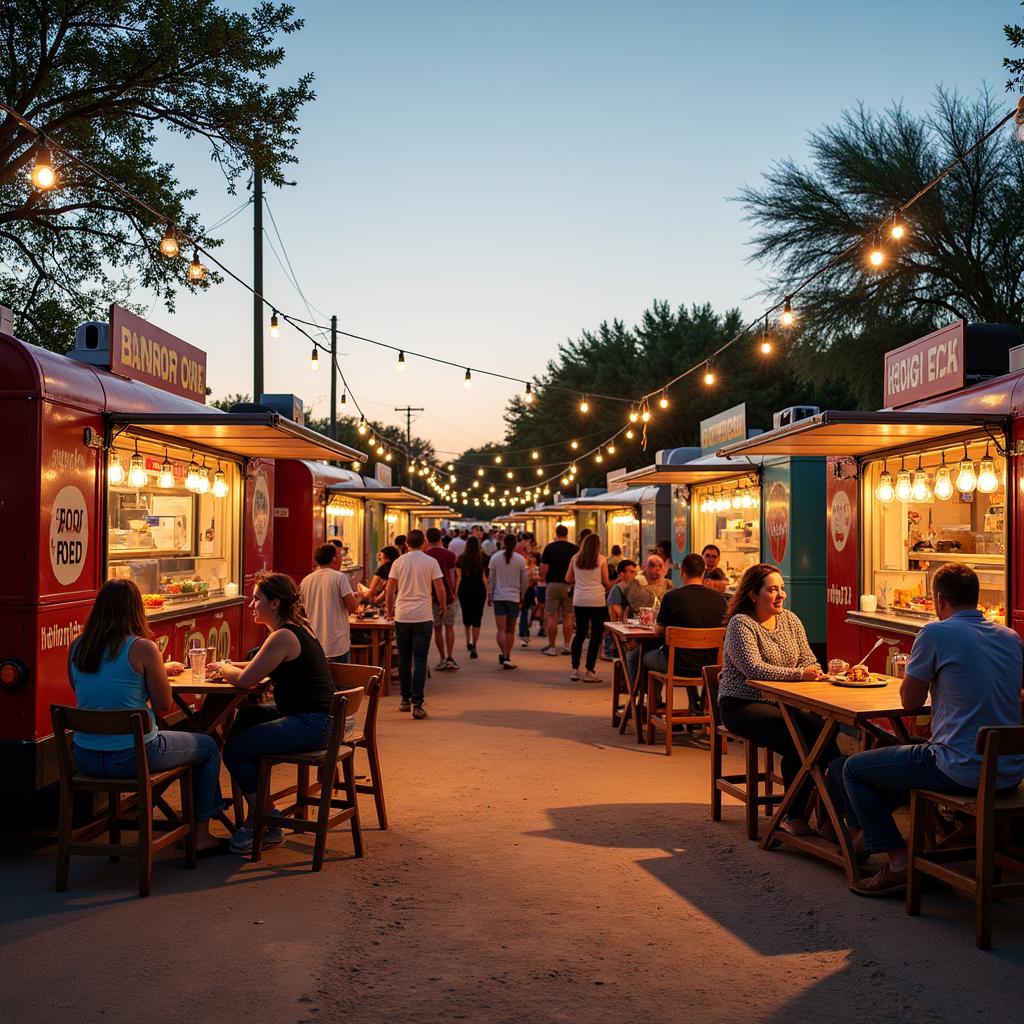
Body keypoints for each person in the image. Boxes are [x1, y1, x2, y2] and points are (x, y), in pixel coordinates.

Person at [836, 563, 1024, 898]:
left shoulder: (935, 633)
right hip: (1009, 771)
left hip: (959, 769)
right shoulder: (1010, 637)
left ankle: (896, 863)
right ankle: (872, 838)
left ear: (938, 600)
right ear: (976, 598)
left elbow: (910, 702)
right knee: (903, 753)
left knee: (854, 769)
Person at [69, 579, 226, 856]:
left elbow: (90, 691)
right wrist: (155, 673)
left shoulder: (77, 646)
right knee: (208, 746)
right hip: (133, 755)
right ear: (135, 610)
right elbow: (164, 703)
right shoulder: (142, 647)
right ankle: (201, 834)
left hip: (85, 757)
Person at [213, 572, 338, 854]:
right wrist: (232, 665)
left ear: (275, 603)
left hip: (312, 723)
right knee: (246, 719)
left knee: (235, 750)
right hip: (314, 718)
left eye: (256, 598)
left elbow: (246, 681)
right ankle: (258, 812)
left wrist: (223, 668)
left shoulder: (283, 636)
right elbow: (259, 665)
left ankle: (268, 821)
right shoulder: (296, 628)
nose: (251, 604)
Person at [717, 563, 837, 839]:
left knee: (825, 733)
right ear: (752, 594)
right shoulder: (741, 624)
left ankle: (832, 815)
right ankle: (797, 817)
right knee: (801, 739)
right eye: (772, 589)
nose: (780, 594)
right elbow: (754, 669)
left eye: (782, 588)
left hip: (784, 702)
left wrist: (815, 671)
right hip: (741, 704)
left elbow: (809, 659)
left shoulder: (791, 620)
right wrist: (801, 675)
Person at [627, 553, 727, 712]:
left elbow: (659, 632)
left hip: (677, 664)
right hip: (710, 664)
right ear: (702, 573)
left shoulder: (672, 597)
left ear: (682, 573)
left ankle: (649, 704)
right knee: (687, 651)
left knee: (635, 656)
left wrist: (653, 626)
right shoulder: (720, 600)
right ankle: (696, 706)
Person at [385, 529, 445, 719]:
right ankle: (417, 704)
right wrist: (442, 605)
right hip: (423, 615)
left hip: (402, 616)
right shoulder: (431, 562)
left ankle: (404, 699)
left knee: (404, 658)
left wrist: (389, 610)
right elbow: (440, 588)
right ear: (424, 543)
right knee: (420, 659)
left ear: (407, 544)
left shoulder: (398, 562)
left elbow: (389, 589)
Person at [299, 543, 360, 663]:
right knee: (339, 681)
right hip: (337, 644)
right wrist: (359, 597)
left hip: (314, 643)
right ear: (334, 558)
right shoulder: (339, 577)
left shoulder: (306, 580)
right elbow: (353, 608)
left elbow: (302, 611)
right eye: (339, 555)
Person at [566, 533, 611, 682]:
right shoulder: (601, 559)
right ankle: (589, 670)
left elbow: (568, 578)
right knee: (596, 636)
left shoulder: (575, 558)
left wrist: (579, 580)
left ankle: (574, 669)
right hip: (597, 601)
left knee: (580, 634)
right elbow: (605, 581)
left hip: (580, 600)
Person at [487, 533, 528, 670]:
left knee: (501, 630)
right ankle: (507, 655)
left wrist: (490, 594)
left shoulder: (495, 557)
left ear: (503, 542)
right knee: (511, 629)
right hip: (514, 597)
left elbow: (491, 578)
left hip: (499, 596)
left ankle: (503, 654)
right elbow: (525, 580)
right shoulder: (520, 560)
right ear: (515, 544)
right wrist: (522, 593)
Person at [539, 524, 577, 656]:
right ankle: (567, 645)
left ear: (556, 533)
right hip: (569, 586)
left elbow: (544, 569)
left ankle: (552, 646)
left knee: (552, 616)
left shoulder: (549, 548)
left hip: (553, 585)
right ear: (567, 534)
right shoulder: (574, 549)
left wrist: (542, 578)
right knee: (568, 616)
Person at [425, 527, 459, 671]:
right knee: (449, 627)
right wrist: (452, 591)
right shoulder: (450, 555)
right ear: (441, 538)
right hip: (449, 597)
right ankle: (450, 657)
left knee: (437, 629)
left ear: (427, 539)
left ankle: (442, 657)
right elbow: (452, 577)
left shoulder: (425, 555)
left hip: (432, 597)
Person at [456, 534, 487, 659]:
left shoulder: (461, 558)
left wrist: (455, 591)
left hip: (465, 589)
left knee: (466, 617)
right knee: (477, 619)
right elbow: (484, 577)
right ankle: (474, 646)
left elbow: (458, 577)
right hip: (479, 590)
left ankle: (467, 641)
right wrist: (489, 592)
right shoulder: (483, 557)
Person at [601, 559, 638, 660]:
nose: (634, 574)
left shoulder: (634, 587)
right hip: (620, 631)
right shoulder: (617, 589)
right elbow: (616, 614)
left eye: (635, 571)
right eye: (631, 572)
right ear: (622, 574)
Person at [518, 551, 540, 647]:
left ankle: (526, 632)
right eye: (530, 557)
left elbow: (540, 579)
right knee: (525, 613)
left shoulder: (538, 568)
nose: (532, 559)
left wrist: (535, 579)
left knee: (532, 614)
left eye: (534, 557)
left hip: (535, 591)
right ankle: (524, 635)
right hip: (527, 591)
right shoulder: (525, 568)